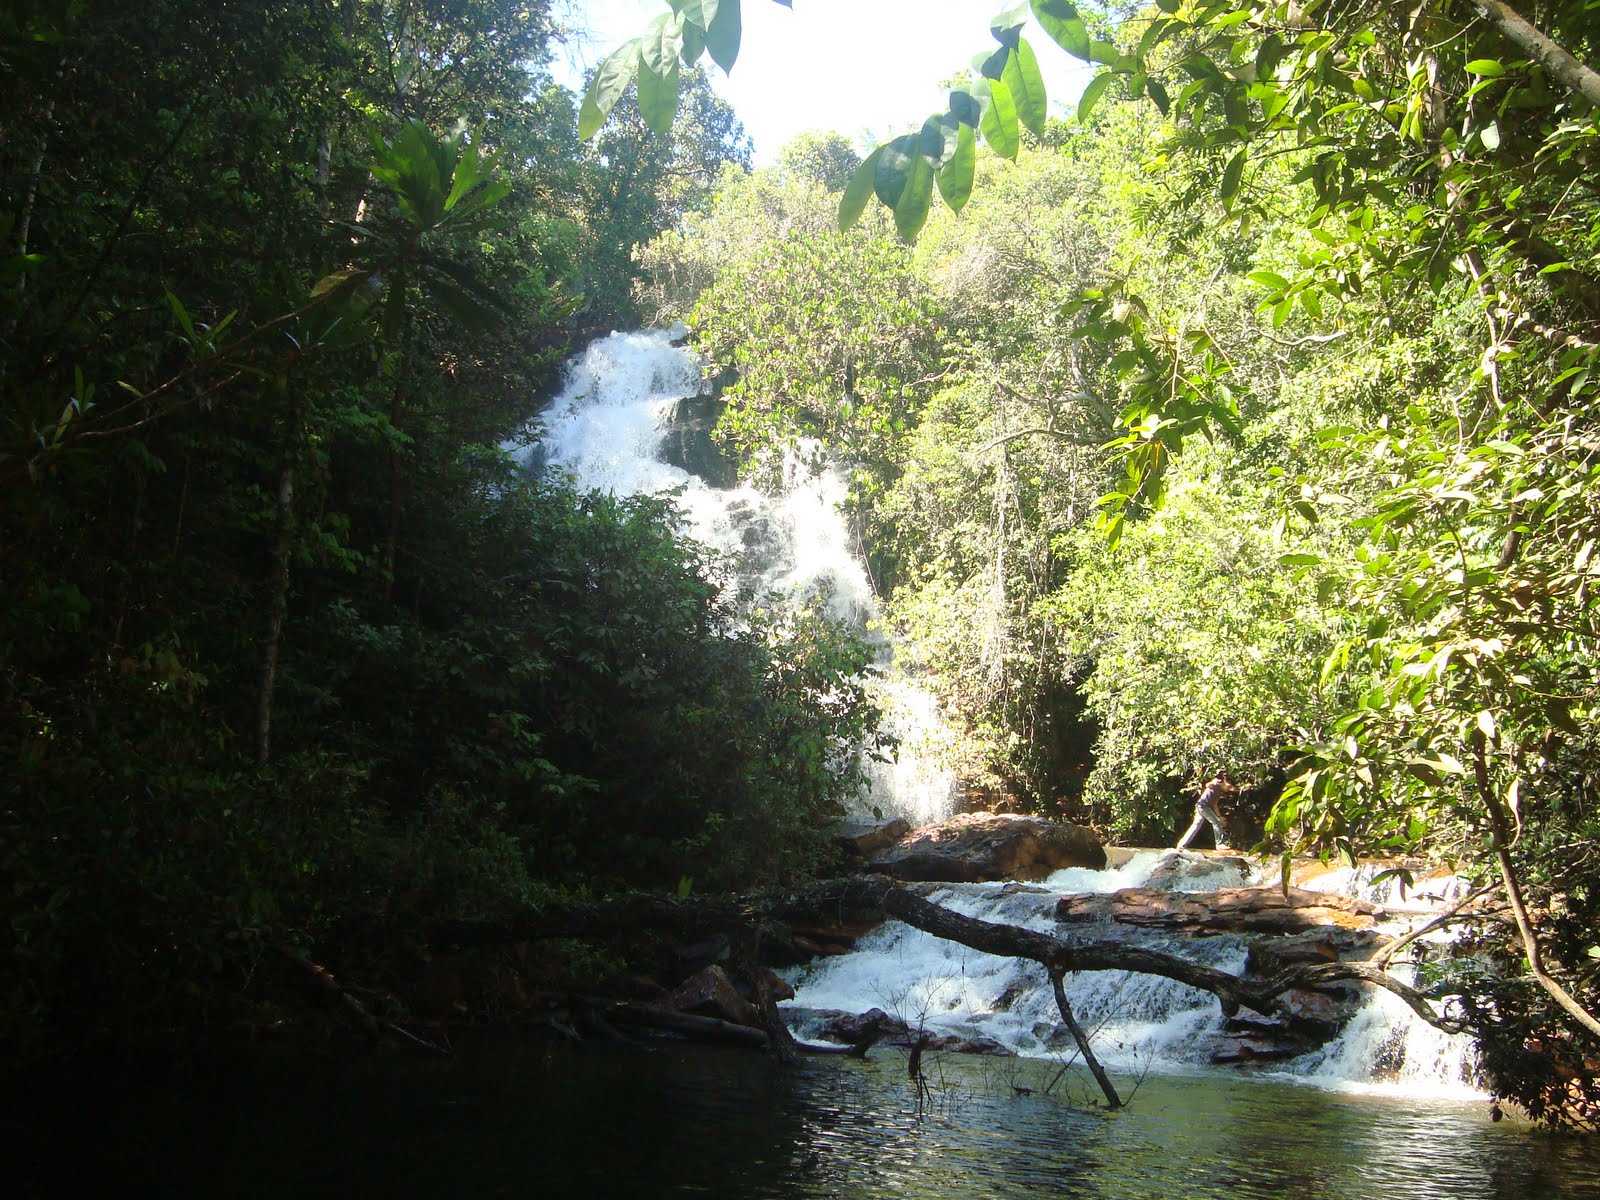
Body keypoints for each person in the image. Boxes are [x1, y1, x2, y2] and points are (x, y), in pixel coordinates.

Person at [1177, 771, 1231, 850]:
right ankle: (1219, 844)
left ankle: (1181, 845)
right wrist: (1212, 782)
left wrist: (1220, 816)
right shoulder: (1215, 785)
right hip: (1202, 806)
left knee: (1196, 825)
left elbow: (1214, 805)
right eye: (1228, 787)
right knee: (1216, 822)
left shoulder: (1219, 792)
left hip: (1204, 807)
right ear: (1224, 783)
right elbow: (1208, 785)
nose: (1228, 789)